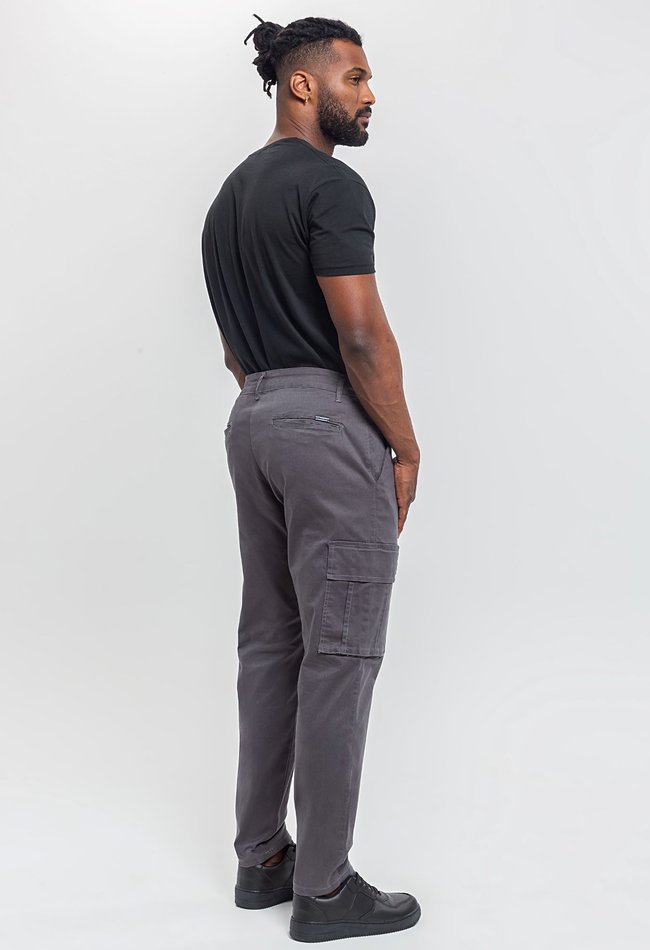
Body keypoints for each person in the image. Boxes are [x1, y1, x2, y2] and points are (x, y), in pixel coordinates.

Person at [201, 14, 421, 942]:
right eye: (356, 78)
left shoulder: (227, 199)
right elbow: (360, 333)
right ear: (304, 85)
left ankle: (263, 861)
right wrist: (404, 447)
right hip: (327, 421)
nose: (370, 96)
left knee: (271, 643)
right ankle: (325, 891)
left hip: (253, 419)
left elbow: (232, 350)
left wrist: (278, 405)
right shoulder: (331, 184)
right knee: (339, 651)